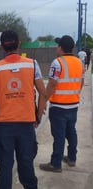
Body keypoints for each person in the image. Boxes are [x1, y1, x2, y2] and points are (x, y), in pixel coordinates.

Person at [0, 30, 46, 189]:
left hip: (3, 127)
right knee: (26, 166)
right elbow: (43, 93)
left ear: (2, 47)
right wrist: (37, 116)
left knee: (5, 169)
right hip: (26, 125)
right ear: (19, 44)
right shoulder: (32, 64)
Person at [39, 35, 84, 173]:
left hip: (59, 106)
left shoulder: (57, 63)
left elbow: (52, 84)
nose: (57, 48)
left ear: (61, 48)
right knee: (71, 132)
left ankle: (55, 164)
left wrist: (43, 101)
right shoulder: (79, 62)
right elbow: (81, 82)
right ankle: (71, 158)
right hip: (73, 105)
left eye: (58, 46)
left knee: (58, 136)